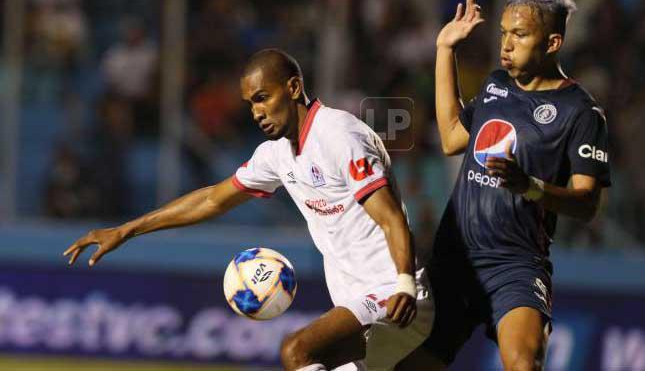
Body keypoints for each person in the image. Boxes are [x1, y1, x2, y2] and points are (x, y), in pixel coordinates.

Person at [63, 48, 434, 371]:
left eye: (262, 97)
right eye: (251, 104)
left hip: (394, 295)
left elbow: (390, 216)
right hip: (358, 302)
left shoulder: (340, 135)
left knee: (297, 350)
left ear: (292, 88)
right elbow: (212, 199)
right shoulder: (275, 155)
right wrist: (126, 230)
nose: (256, 112)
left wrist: (403, 283)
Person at [398, 0, 611, 371]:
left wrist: (528, 186)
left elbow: (587, 203)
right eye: (503, 33)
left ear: (552, 43)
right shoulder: (497, 85)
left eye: (520, 34)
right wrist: (445, 50)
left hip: (514, 265)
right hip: (455, 256)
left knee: (522, 364)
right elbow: (449, 139)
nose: (506, 46)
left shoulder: (581, 113)